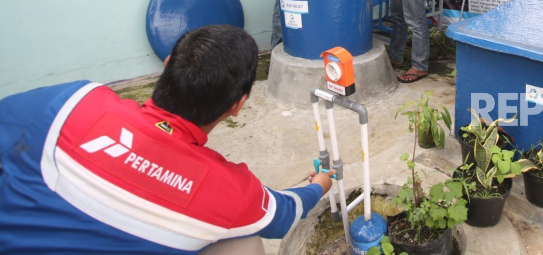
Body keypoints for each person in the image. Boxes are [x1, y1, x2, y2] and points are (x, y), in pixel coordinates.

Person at [0, 24, 333, 254]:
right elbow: (284, 214)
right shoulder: (229, 191)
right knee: (243, 245)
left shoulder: (72, 103)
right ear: (238, 106)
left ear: (168, 64)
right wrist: (319, 184)